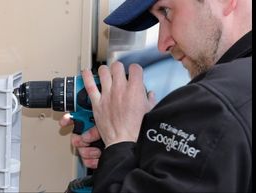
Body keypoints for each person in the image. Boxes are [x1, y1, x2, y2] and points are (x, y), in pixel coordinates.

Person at [60, 0, 252, 192]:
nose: (162, 43)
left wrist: (120, 142)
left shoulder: (213, 107)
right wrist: (148, 145)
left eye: (166, 11)